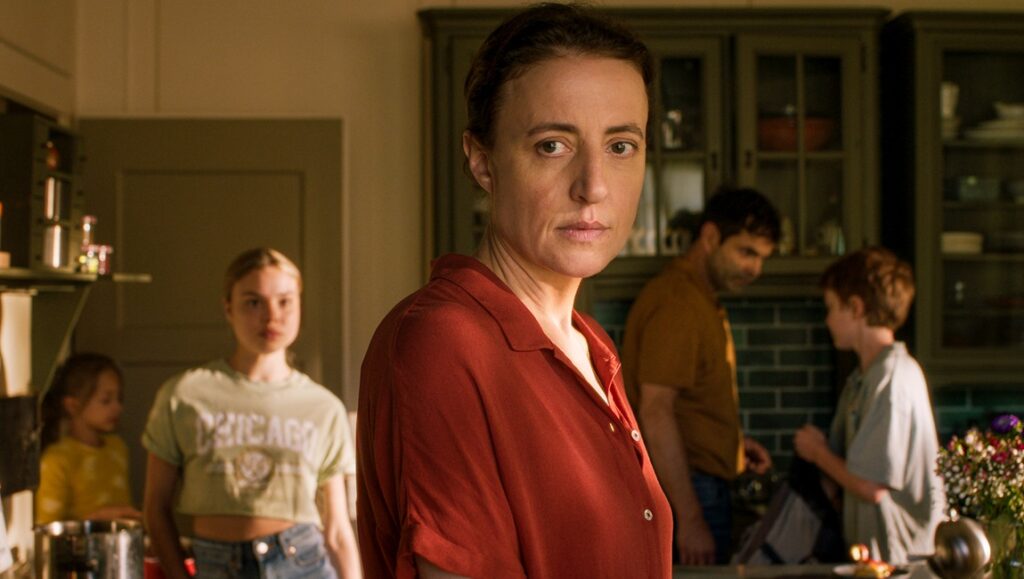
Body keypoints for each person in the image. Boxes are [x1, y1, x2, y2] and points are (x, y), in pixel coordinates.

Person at [357, 4, 671, 578]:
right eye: (553, 145)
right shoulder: (445, 343)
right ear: (482, 161)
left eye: (621, 145)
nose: (593, 186)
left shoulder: (589, 344)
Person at [142, 248, 361, 579]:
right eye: (253, 302)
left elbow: (337, 530)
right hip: (216, 563)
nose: (271, 316)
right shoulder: (185, 395)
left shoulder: (323, 408)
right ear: (228, 307)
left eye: (285, 301)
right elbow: (155, 509)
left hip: (302, 562)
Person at [621, 186, 780, 565]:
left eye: (762, 259)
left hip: (703, 484)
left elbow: (688, 404)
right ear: (709, 237)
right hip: (691, 493)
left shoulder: (698, 297)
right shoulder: (678, 302)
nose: (754, 269)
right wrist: (691, 519)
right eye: (746, 252)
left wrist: (730, 445)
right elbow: (656, 413)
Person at [793, 247, 945, 564]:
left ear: (856, 307)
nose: (828, 319)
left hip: (900, 561)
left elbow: (871, 486)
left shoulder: (893, 378)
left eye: (832, 308)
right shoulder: (863, 378)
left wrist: (816, 452)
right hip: (874, 557)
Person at [35, 353, 142, 525]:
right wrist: (97, 521)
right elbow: (47, 527)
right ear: (73, 405)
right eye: (106, 400)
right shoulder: (56, 460)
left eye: (119, 399)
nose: (117, 407)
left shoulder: (117, 447)